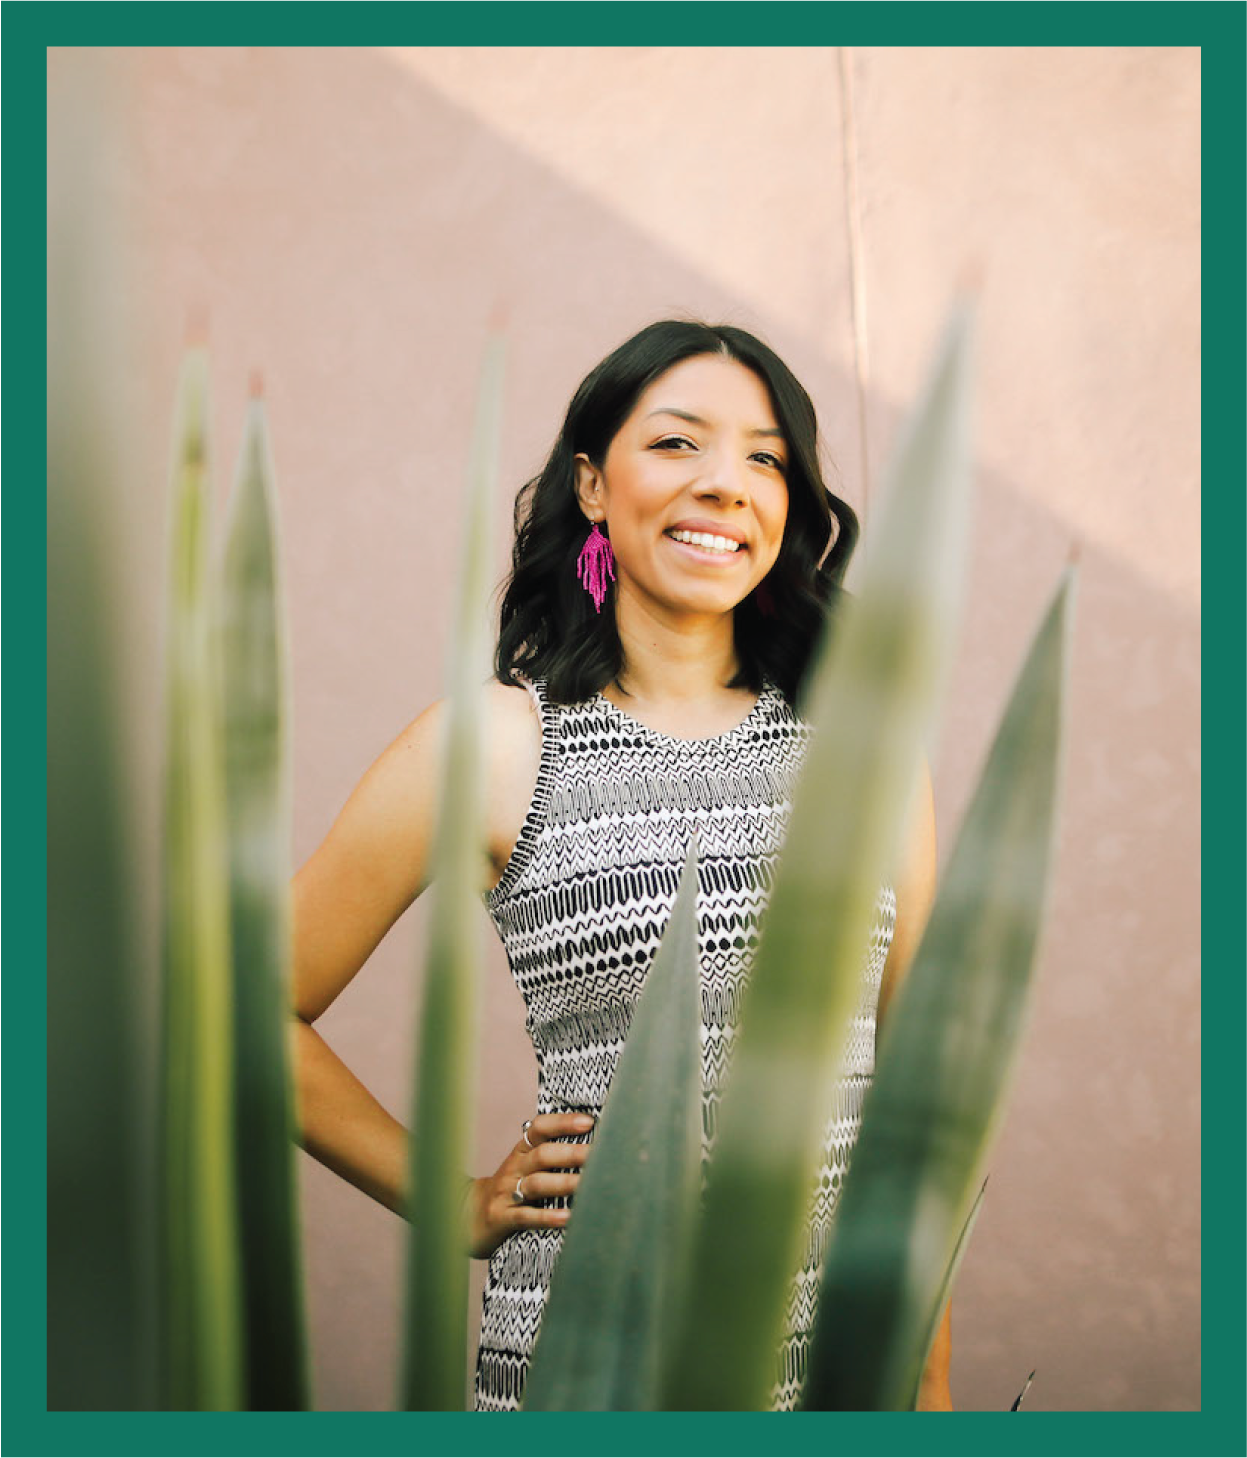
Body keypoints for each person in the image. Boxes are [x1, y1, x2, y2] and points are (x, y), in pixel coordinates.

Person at [290, 320, 951, 1411]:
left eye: (764, 458)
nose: (725, 483)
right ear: (592, 485)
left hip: (833, 1377)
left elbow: (918, 1106)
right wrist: (457, 1204)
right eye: (678, 443)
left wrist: (926, 1387)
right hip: (588, 1369)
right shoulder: (497, 747)